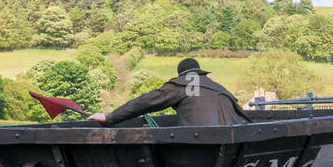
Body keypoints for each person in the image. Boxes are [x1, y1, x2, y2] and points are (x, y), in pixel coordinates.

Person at [90, 58, 250, 126]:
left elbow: (146, 102)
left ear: (181, 74)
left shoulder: (184, 84)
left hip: (206, 147)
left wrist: (109, 117)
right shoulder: (218, 88)